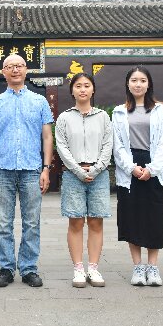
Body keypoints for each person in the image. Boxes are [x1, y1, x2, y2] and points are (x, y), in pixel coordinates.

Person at [0, 54, 54, 288]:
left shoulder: (39, 101)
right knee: (3, 223)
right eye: (10, 66)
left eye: (19, 66)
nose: (15, 70)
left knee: (32, 222)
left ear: (26, 70)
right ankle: (6, 268)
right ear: (3, 72)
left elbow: (47, 136)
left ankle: (29, 268)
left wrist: (46, 168)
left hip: (32, 169)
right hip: (2, 169)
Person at [113, 66, 163, 287]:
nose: (138, 84)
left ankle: (152, 267)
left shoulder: (159, 110)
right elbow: (117, 145)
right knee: (132, 218)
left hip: (153, 167)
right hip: (130, 168)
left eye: (142, 80)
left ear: (149, 84)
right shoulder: (119, 112)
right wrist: (131, 168)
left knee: (154, 217)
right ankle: (137, 267)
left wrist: (152, 169)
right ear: (128, 84)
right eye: (134, 80)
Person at [55, 73, 112, 288]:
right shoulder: (64, 118)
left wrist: (96, 169)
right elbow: (62, 147)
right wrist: (78, 171)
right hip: (73, 174)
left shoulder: (103, 117)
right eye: (78, 86)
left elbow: (108, 144)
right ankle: (78, 268)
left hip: (99, 174)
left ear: (93, 89)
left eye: (87, 85)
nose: (82, 89)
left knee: (96, 221)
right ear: (72, 90)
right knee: (76, 221)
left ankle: (93, 268)